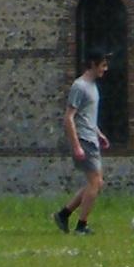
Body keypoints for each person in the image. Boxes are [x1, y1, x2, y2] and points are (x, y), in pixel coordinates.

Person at [54, 50, 112, 233]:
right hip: (84, 140)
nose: (105, 69)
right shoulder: (79, 86)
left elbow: (86, 117)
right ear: (93, 64)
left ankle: (63, 214)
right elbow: (69, 118)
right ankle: (82, 226)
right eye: (103, 65)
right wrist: (77, 145)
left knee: (97, 183)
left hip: (91, 137)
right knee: (95, 182)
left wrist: (99, 133)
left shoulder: (92, 86)